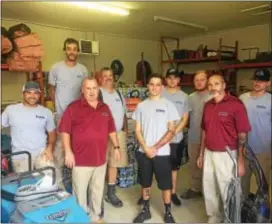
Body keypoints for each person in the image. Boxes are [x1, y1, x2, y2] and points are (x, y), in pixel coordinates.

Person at [58, 77, 121, 223]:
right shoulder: (73, 108)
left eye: (94, 88)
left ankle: (96, 216)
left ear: (98, 90)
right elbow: (65, 131)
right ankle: (81, 219)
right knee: (80, 193)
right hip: (80, 160)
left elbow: (111, 129)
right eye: (88, 88)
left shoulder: (104, 108)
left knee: (97, 191)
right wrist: (68, 152)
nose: (92, 92)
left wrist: (117, 147)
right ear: (82, 90)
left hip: (100, 159)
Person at [197, 74, 251, 223]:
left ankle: (230, 218)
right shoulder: (207, 105)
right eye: (210, 84)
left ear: (224, 85)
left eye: (216, 84)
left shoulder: (236, 104)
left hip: (228, 154)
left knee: (228, 189)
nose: (213, 87)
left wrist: (240, 160)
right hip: (209, 152)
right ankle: (214, 216)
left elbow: (242, 135)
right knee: (209, 187)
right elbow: (204, 131)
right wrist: (201, 154)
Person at [132, 73, 180, 223]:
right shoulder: (141, 106)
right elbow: (137, 130)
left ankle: (168, 212)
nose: (154, 87)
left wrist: (155, 147)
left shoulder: (168, 105)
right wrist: (146, 148)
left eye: (158, 84)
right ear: (148, 86)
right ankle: (145, 210)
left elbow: (171, 130)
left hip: (162, 153)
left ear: (162, 87)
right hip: (144, 152)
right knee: (145, 183)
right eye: (152, 84)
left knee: (166, 185)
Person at [48, 38, 89, 185]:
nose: (71, 51)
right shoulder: (56, 68)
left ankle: (77, 182)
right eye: (69, 48)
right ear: (65, 50)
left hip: (79, 118)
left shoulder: (83, 70)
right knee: (60, 148)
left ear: (78, 51)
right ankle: (58, 184)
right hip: (62, 116)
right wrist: (57, 107)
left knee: (78, 147)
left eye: (74, 49)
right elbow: (51, 90)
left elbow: (86, 92)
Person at [1, 81, 56, 173]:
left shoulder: (46, 112)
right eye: (29, 92)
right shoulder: (11, 110)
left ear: (39, 95)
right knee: (25, 185)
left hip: (42, 153)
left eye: (35, 93)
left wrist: (50, 147)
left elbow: (52, 132)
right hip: (20, 155)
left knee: (50, 179)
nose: (32, 96)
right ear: (23, 94)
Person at [99, 67, 128, 208]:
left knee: (114, 164)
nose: (108, 78)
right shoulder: (98, 93)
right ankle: (96, 193)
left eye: (110, 75)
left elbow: (124, 115)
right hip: (101, 135)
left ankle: (110, 193)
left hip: (117, 134)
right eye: (105, 76)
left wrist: (125, 131)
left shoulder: (119, 94)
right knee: (99, 164)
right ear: (100, 78)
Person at [239, 68, 271, 197]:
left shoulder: (270, 100)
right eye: (256, 80)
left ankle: (264, 214)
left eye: (262, 81)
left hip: (263, 150)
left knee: (263, 183)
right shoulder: (242, 98)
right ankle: (243, 210)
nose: (257, 83)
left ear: (268, 83)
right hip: (244, 149)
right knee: (242, 182)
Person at [160, 68, 190, 206]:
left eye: (175, 78)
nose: (172, 80)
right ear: (165, 79)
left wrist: (173, 133)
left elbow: (184, 119)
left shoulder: (184, 97)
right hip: (158, 138)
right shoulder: (159, 93)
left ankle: (172, 193)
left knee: (173, 167)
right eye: (170, 77)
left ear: (179, 80)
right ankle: (147, 192)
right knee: (157, 166)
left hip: (176, 139)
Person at [180, 70, 211, 199]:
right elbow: (186, 118)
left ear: (207, 81)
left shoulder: (213, 97)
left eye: (202, 80)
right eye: (196, 80)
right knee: (194, 164)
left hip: (210, 140)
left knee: (208, 166)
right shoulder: (190, 98)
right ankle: (195, 188)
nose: (199, 82)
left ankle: (209, 192)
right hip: (193, 136)